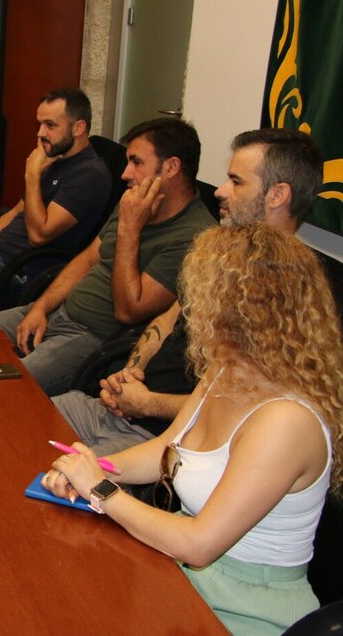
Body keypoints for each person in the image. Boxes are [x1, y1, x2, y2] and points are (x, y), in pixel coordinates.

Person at [42, 223, 342, 635]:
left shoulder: (287, 420)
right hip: (183, 577)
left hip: (244, 609)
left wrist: (100, 488)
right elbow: (167, 449)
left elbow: (199, 545)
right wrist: (92, 466)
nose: (189, 308)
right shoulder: (227, 369)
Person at [51, 129, 324, 455]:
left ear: (277, 195)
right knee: (13, 418)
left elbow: (246, 407)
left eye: (236, 182)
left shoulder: (289, 293)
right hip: (123, 410)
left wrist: (148, 403)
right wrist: (131, 373)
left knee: (32, 468)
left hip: (169, 441)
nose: (220, 191)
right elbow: (167, 321)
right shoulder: (226, 258)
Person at [0, 118, 215, 395]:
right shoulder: (134, 199)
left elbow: (128, 311)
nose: (125, 174)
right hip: (57, 311)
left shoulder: (195, 237)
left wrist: (130, 228)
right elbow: (88, 259)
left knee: (1, 388)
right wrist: (40, 308)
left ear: (171, 167)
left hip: (91, 337)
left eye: (136, 162)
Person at [0, 88, 111, 311]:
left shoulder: (89, 175)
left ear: (78, 128)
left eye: (50, 125)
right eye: (40, 124)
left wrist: (32, 175)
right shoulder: (55, 157)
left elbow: (39, 236)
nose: (40, 133)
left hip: (18, 269)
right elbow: (15, 212)